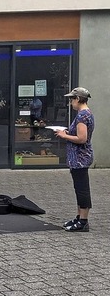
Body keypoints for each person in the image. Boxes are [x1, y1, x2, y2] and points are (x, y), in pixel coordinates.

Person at [55, 87, 94, 232]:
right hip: (78, 158)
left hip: (80, 158)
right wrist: (67, 132)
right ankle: (79, 217)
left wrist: (64, 136)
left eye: (72, 99)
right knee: (79, 188)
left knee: (82, 189)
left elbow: (82, 138)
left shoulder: (82, 116)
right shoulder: (84, 114)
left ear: (78, 99)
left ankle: (83, 221)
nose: (71, 102)